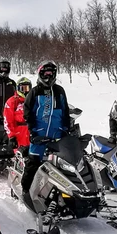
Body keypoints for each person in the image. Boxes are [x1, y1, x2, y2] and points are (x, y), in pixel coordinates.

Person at [21, 61, 70, 204]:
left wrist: (66, 129)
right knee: (33, 163)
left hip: (57, 134)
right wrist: (32, 131)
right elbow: (27, 112)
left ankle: (59, 193)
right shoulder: (35, 91)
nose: (48, 76)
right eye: (45, 73)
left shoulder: (60, 91)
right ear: (41, 74)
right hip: (39, 134)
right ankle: (26, 190)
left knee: (60, 166)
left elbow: (65, 111)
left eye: (51, 73)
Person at [3, 77, 32, 150]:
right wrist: (11, 136)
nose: (25, 91)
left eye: (27, 88)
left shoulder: (34, 100)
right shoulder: (12, 101)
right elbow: (8, 121)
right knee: (21, 155)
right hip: (19, 133)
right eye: (22, 88)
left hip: (33, 131)